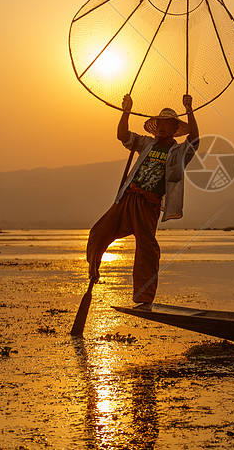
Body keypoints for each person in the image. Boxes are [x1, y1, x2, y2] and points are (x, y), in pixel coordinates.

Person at [86, 93, 199, 307]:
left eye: (167, 124)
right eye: (160, 124)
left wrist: (189, 109)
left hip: (149, 204)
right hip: (127, 198)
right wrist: (126, 110)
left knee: (147, 249)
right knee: (98, 233)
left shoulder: (179, 151)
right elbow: (122, 135)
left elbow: (195, 140)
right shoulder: (146, 143)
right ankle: (93, 271)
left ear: (175, 129)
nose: (162, 127)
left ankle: (143, 298)